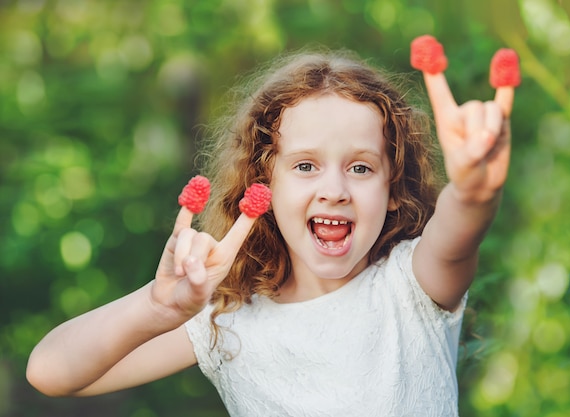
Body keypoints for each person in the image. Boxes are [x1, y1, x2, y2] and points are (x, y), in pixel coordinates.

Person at [27, 45, 515, 416]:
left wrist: (474, 190)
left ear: (393, 188)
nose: (334, 189)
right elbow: (50, 372)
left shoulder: (413, 285)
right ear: (264, 185)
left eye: (361, 169)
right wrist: (156, 308)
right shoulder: (224, 322)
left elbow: (458, 231)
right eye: (305, 166)